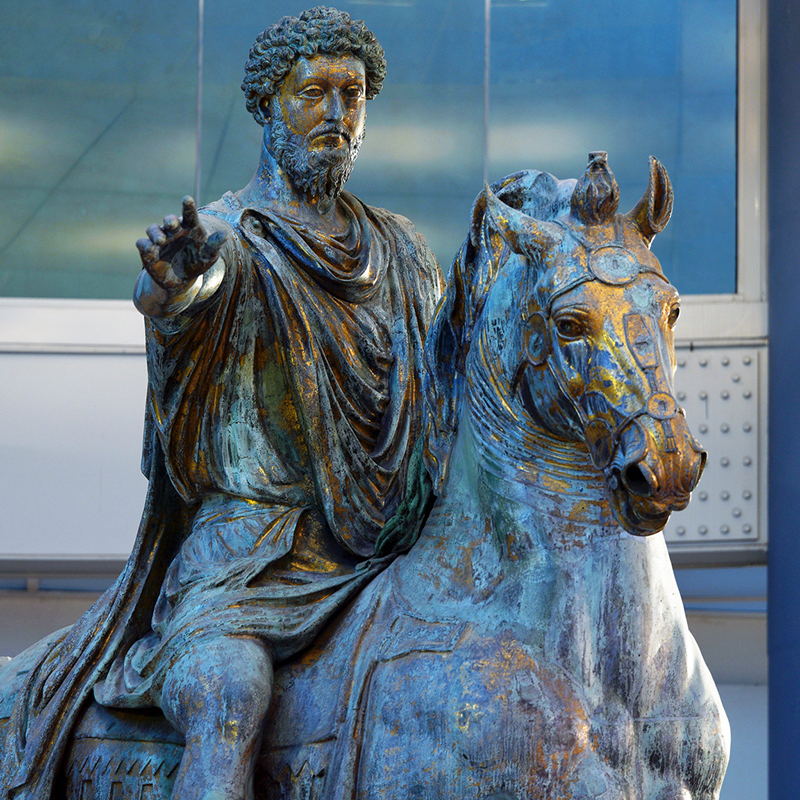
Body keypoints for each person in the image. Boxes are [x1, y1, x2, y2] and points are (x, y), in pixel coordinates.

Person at [0, 7, 441, 799]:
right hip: (246, 557)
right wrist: (175, 285)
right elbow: (184, 301)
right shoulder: (232, 238)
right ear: (269, 106)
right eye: (314, 93)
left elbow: (444, 399)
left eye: (353, 95)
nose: (336, 115)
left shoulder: (406, 253)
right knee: (230, 696)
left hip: (383, 553)